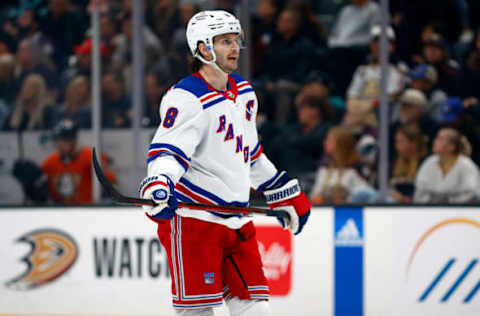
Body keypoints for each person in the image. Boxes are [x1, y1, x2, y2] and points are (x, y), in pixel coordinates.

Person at [138, 10, 311, 316]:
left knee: (257, 310)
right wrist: (160, 183)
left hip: (237, 221)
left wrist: (281, 191)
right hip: (194, 222)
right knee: (198, 313)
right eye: (225, 41)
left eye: (236, 40)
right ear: (204, 48)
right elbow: (167, 152)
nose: (235, 48)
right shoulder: (186, 98)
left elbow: (250, 154)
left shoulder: (243, 92)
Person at [41, 119, 116, 204]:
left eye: (61, 140)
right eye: (57, 140)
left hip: (87, 210)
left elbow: (112, 183)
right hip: (59, 212)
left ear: (72, 140)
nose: (58, 144)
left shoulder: (90, 157)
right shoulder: (50, 162)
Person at [414, 128, 480, 203]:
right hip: (431, 209)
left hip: (461, 210)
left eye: (440, 139)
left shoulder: (466, 165)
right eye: (436, 138)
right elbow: (420, 191)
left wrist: (449, 202)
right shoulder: (429, 162)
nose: (435, 141)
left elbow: (472, 193)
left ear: (452, 146)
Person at [309, 126, 371, 204]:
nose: (325, 142)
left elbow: (366, 195)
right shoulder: (323, 170)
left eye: (329, 140)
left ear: (340, 144)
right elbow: (314, 196)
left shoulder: (355, 171)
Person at [390, 124, 428, 203]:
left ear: (413, 143)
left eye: (401, 141)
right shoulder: (394, 162)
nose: (397, 146)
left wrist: (405, 199)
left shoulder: (425, 164)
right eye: (396, 142)